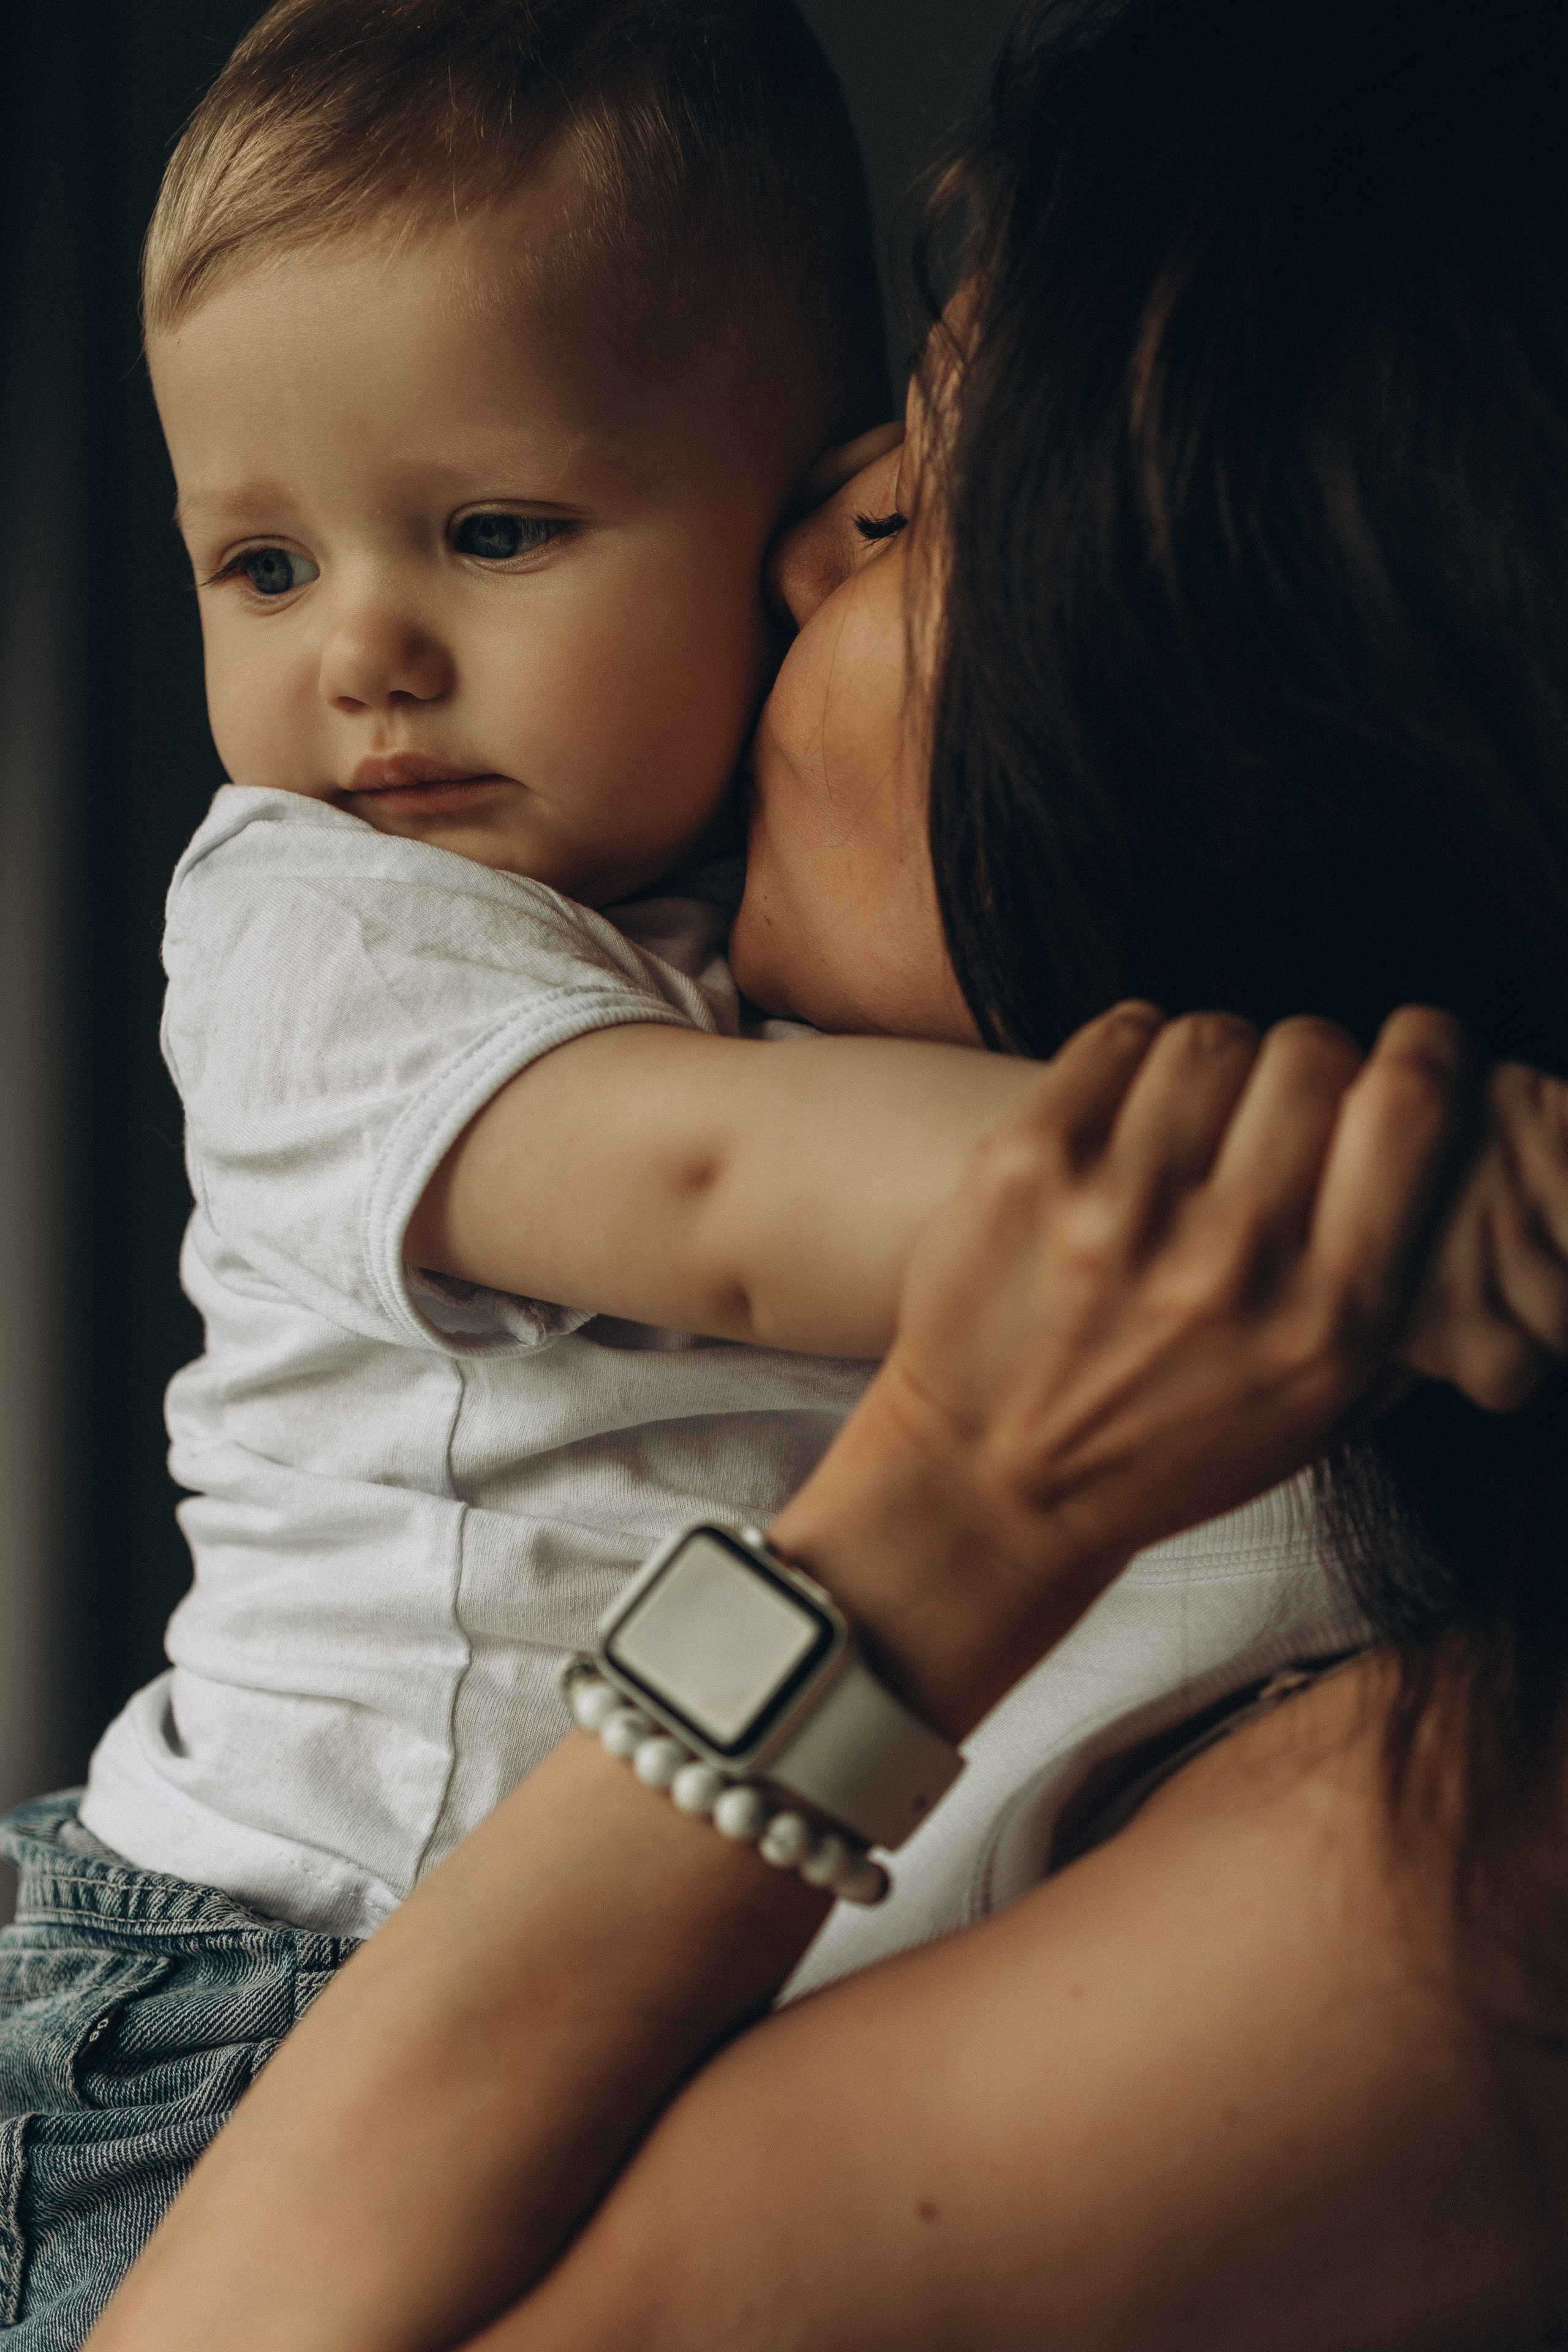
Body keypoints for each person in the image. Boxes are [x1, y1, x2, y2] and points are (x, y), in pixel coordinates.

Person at [58, 0, 1568, 2344]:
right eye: (255, 563)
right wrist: (965, 1493)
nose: (804, 555)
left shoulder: (1430, 1765)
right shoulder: (335, 928)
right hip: (225, 1987)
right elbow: (733, 1192)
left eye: (919, 486)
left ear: (1241, 696)